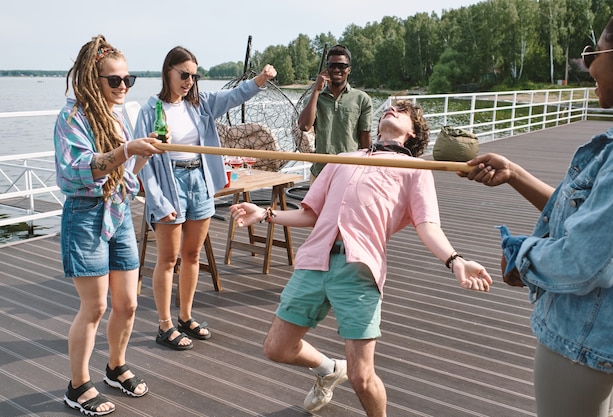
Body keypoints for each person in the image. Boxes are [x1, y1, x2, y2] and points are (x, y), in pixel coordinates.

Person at [231, 100, 492, 416]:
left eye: (402, 110)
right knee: (277, 348)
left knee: (362, 376)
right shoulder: (344, 159)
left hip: (358, 270)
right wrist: (265, 213)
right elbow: (310, 213)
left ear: (413, 133)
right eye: (389, 108)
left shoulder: (415, 170)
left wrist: (455, 260)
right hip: (314, 261)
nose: (391, 110)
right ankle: (328, 369)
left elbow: (427, 225)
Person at [459, 8, 613, 417]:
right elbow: (591, 220)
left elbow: (587, 259)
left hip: (579, 344)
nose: (589, 67)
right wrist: (514, 174)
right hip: (600, 339)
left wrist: (523, 257)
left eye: (594, 55)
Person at [134, 46, 276, 351]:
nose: (188, 81)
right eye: (183, 74)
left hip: (198, 180)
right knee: (168, 259)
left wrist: (260, 80)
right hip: (168, 182)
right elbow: (142, 164)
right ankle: (164, 325)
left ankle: (185, 316)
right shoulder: (150, 110)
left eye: (193, 76)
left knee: (192, 255)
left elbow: (234, 96)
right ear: (168, 72)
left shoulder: (200, 104)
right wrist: (157, 202)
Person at [54, 35, 164, 416]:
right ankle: (78, 386)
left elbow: (124, 173)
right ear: (90, 79)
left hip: (117, 213)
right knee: (95, 306)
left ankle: (115, 367)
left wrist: (142, 156)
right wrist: (126, 150)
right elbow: (77, 171)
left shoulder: (116, 115)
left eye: (127, 80)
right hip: (85, 216)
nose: (123, 87)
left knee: (129, 303)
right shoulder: (71, 118)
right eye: (114, 80)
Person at [297, 44, 373, 181]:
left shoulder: (362, 99)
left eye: (342, 66)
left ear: (349, 69)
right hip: (320, 171)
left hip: (350, 172)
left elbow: (365, 136)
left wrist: (368, 170)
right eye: (332, 65)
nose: (337, 69)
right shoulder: (313, 99)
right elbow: (304, 126)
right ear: (326, 69)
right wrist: (316, 90)